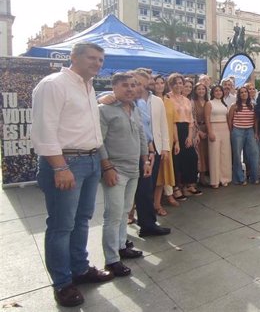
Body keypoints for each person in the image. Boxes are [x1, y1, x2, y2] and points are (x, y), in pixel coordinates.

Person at [32, 42, 114, 307]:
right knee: (61, 226)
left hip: (89, 160)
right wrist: (59, 166)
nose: (97, 63)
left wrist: (100, 162)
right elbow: (44, 130)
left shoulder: (87, 87)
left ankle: (80, 268)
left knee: (82, 220)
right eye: (91, 58)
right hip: (67, 162)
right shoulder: (53, 84)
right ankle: (62, 283)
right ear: (74, 57)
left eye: (100, 60)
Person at [98, 73, 149, 278]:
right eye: (125, 85)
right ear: (114, 87)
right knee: (113, 214)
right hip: (115, 170)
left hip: (134, 168)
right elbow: (98, 141)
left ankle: (121, 247)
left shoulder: (135, 108)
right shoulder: (104, 110)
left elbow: (141, 135)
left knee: (125, 211)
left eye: (133, 85)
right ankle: (111, 260)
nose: (130, 89)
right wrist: (107, 167)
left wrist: (145, 160)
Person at [130, 70, 171, 235]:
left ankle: (148, 223)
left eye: (144, 83)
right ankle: (139, 221)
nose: (140, 87)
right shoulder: (129, 100)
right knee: (136, 189)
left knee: (148, 187)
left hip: (153, 148)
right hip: (136, 151)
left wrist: (164, 147)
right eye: (137, 83)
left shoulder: (156, 100)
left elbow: (162, 125)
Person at [153, 77, 182, 209]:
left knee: (166, 170)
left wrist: (176, 142)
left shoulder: (169, 102)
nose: (159, 86)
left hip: (168, 140)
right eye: (156, 83)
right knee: (155, 171)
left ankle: (163, 198)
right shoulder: (149, 101)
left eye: (161, 83)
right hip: (154, 140)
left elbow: (174, 123)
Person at [168, 74, 200, 195]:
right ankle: (176, 187)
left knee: (191, 157)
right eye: (175, 83)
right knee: (176, 159)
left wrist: (190, 136)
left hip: (186, 129)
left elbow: (191, 120)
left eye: (180, 83)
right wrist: (176, 139)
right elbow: (172, 120)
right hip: (174, 129)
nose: (178, 85)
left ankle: (189, 184)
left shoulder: (186, 100)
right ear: (171, 85)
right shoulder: (168, 98)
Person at [228, 87, 260, 185]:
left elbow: (255, 121)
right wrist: (231, 132)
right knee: (237, 155)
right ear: (238, 94)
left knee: (254, 154)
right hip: (237, 131)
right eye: (241, 92)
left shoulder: (253, 105)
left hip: (250, 131)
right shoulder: (234, 106)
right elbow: (230, 120)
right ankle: (239, 179)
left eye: (245, 92)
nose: (243, 94)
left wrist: (256, 133)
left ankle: (255, 177)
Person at [205, 85, 232, 188]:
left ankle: (224, 178)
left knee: (225, 154)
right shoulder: (209, 103)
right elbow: (207, 118)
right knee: (214, 154)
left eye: (220, 91)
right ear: (212, 92)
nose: (218, 92)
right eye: (216, 91)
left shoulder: (224, 104)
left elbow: (227, 118)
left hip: (225, 129)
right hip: (214, 128)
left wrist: (230, 130)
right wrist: (210, 132)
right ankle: (215, 180)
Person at [192, 83, 209, 185]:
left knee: (206, 153)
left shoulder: (208, 102)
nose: (201, 91)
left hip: (207, 129)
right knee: (199, 154)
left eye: (203, 89)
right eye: (199, 89)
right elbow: (192, 119)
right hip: (197, 130)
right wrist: (198, 132)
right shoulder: (193, 102)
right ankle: (199, 177)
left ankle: (204, 176)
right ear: (195, 91)